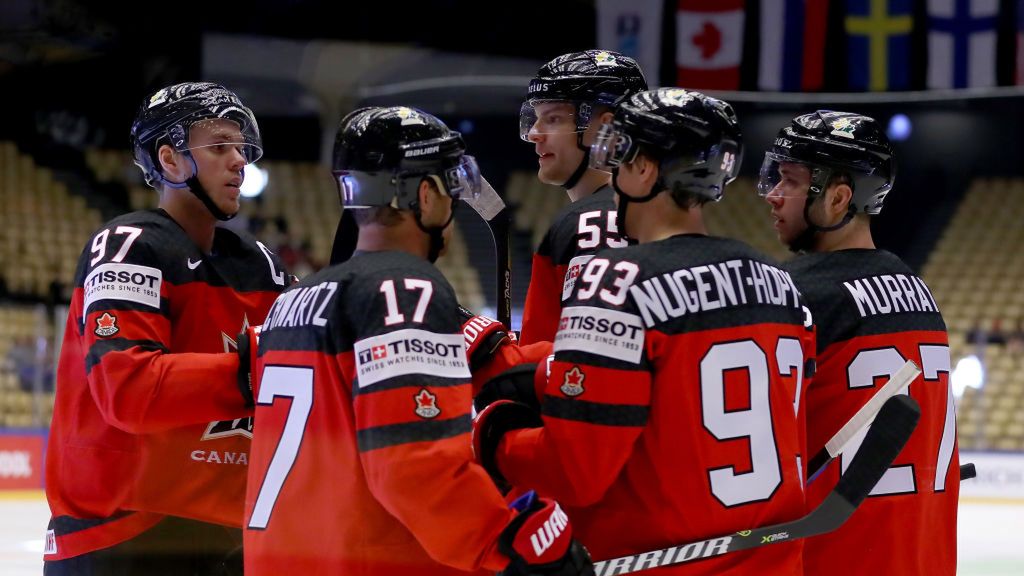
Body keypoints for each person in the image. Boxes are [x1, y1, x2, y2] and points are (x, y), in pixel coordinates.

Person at [243, 105, 592, 576]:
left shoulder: (292, 302)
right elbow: (412, 469)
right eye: (448, 186)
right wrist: (510, 543)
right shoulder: (406, 288)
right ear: (425, 196)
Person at [474, 88, 813, 574]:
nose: (612, 181)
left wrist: (495, 437)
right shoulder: (779, 282)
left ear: (645, 170)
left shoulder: (613, 278)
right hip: (768, 559)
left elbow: (577, 471)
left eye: (619, 160)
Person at [44, 82, 289, 575]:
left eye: (241, 148)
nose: (239, 161)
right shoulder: (128, 244)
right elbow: (128, 390)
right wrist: (256, 369)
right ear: (172, 161)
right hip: (122, 537)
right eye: (219, 146)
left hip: (227, 532)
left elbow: (326, 335)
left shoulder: (262, 265)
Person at [759, 110, 958, 575]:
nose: (772, 195)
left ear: (838, 197)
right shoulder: (919, 291)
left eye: (788, 180)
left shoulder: (797, 292)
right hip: (924, 559)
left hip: (836, 559)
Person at [518, 49, 647, 345]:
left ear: (607, 127)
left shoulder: (596, 221)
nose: (536, 133)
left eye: (552, 119)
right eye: (536, 119)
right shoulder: (635, 210)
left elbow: (591, 359)